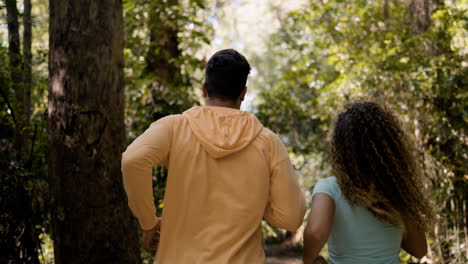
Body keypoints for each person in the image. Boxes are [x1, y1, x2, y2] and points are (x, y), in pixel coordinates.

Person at [121, 49, 306, 264]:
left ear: (205, 89)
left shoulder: (175, 127)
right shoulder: (267, 142)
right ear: (243, 93)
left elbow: (132, 160)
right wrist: (258, 197)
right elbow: (292, 217)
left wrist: (149, 223)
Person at [303, 101, 434, 264]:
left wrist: (309, 260)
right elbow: (419, 249)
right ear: (390, 147)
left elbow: (315, 232)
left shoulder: (329, 188)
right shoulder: (396, 190)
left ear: (340, 150)